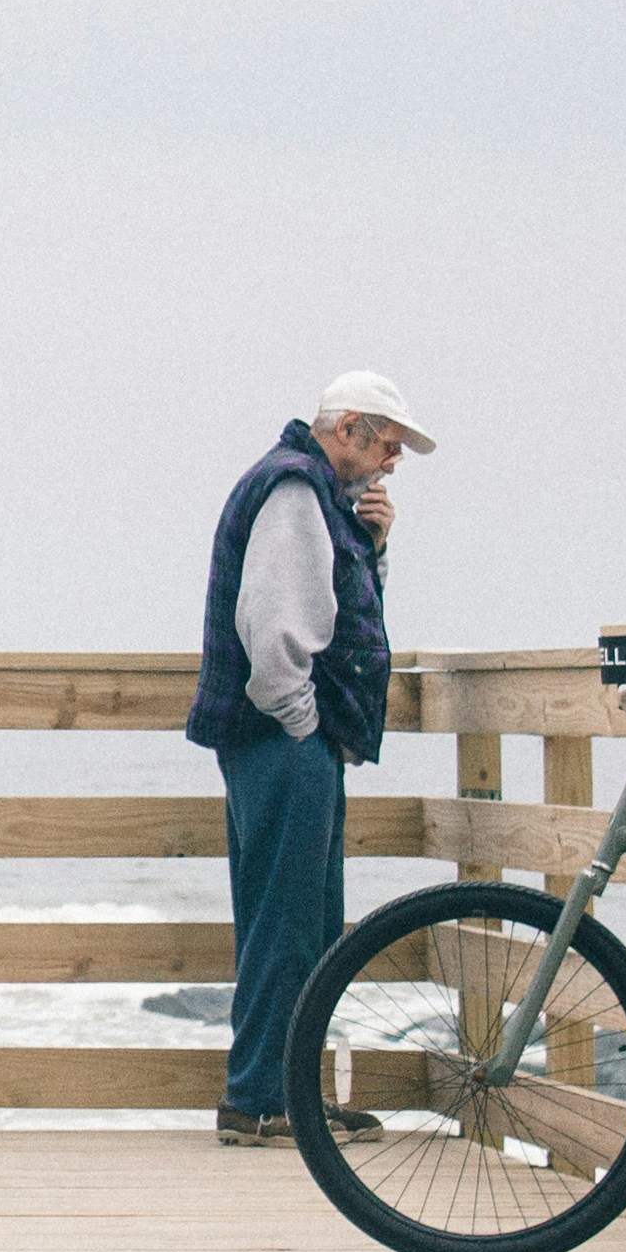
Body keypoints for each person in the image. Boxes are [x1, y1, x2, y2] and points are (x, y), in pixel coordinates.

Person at [184, 372, 434, 1145]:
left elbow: (333, 598)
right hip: (284, 739)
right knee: (290, 923)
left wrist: (374, 544)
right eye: (389, 443)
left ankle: (283, 1096)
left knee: (302, 922)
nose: (393, 461)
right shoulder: (295, 493)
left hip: (288, 740)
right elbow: (277, 628)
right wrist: (303, 724)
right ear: (350, 427)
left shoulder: (316, 498)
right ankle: (264, 1100)